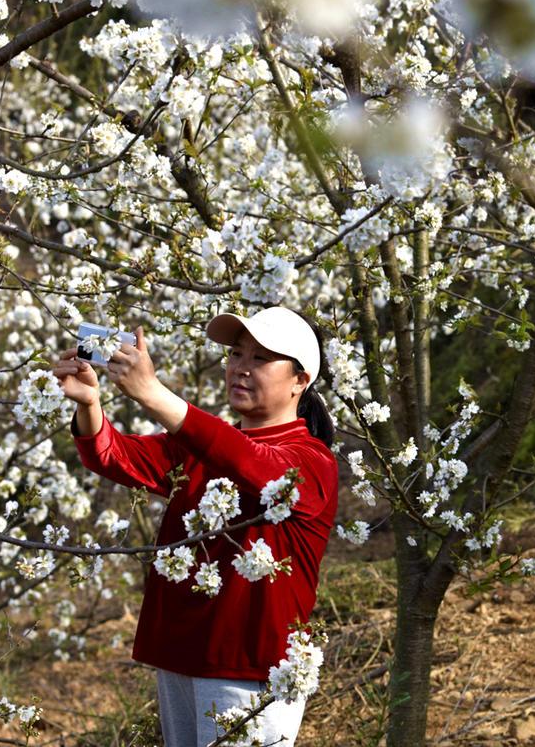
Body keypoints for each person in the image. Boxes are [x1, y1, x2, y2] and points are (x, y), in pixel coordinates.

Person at [52, 306, 339, 747]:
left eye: (260, 359)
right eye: (236, 355)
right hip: (182, 655)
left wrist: (151, 392)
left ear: (301, 380)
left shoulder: (310, 461)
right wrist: (90, 405)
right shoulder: (203, 445)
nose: (240, 369)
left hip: (248, 668)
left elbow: (251, 464)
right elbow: (112, 455)